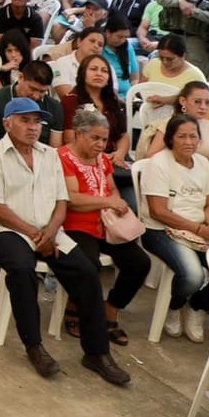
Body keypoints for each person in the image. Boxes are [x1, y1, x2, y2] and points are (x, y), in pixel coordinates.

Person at [0, 96, 129, 384]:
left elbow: (61, 201)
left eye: (36, 121)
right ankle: (35, 346)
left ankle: (96, 352)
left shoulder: (49, 155)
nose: (33, 127)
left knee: (87, 271)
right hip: (9, 230)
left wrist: (51, 231)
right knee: (21, 269)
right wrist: (34, 234)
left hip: (50, 229)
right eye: (24, 120)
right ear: (7, 123)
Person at [58, 107, 149, 346]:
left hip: (105, 223)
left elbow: (112, 189)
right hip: (73, 224)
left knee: (140, 263)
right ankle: (74, 305)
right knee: (88, 263)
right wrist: (108, 201)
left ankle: (111, 308)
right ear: (78, 134)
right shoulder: (63, 158)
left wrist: (116, 203)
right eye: (95, 138)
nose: (100, 144)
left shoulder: (102, 160)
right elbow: (73, 199)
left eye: (104, 139)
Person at [140, 114, 209, 343]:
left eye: (193, 136)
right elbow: (158, 211)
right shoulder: (158, 163)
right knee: (193, 275)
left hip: (198, 227)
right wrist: (199, 230)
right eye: (182, 136)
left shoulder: (203, 163)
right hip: (159, 230)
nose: (188, 142)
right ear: (170, 139)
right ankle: (175, 305)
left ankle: (197, 306)